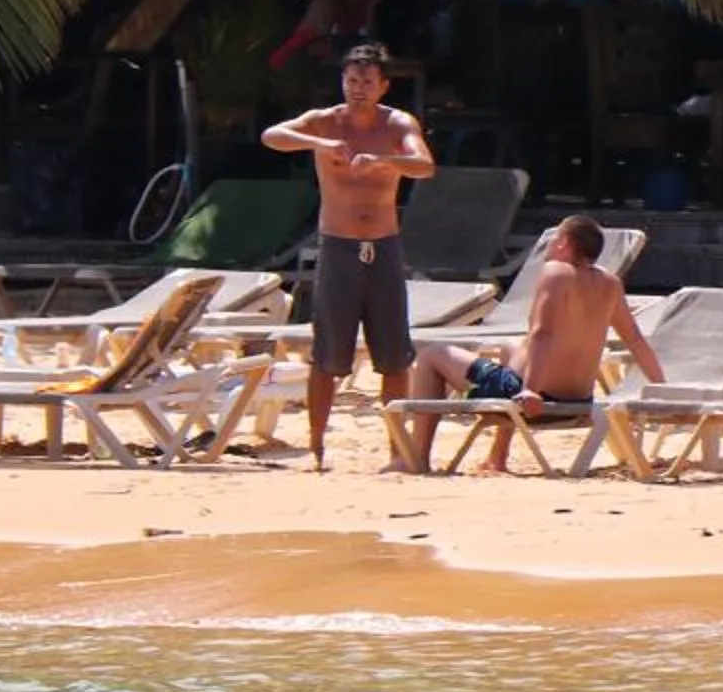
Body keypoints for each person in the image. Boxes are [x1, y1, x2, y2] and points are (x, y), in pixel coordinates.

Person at [263, 42, 436, 468]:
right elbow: (271, 136)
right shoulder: (325, 121)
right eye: (353, 80)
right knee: (328, 355)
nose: (359, 88)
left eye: (368, 82)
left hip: (384, 245)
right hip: (339, 245)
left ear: (383, 86)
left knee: (394, 357)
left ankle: (397, 450)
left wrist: (385, 161)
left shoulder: (396, 123)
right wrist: (318, 144)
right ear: (343, 81)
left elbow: (425, 165)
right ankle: (316, 446)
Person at [390, 214, 662, 473]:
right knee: (512, 346)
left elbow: (544, 333)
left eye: (554, 239)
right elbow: (635, 340)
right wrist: (661, 388)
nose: (549, 246)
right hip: (579, 400)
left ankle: (417, 458)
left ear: (564, 243)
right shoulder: (610, 283)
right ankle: (497, 456)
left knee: (432, 355)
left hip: (534, 402)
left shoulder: (556, 272)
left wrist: (530, 390)